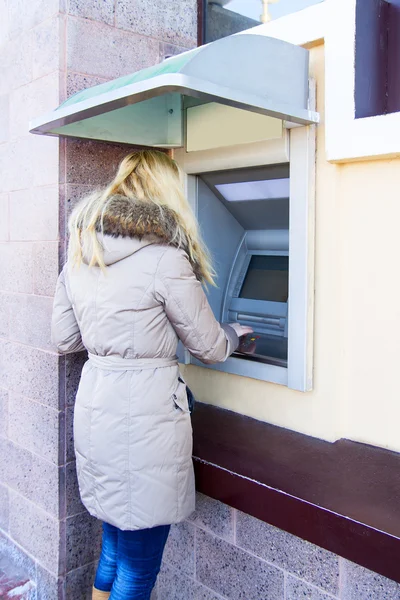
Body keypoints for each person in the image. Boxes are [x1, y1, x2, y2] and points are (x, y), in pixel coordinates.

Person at [51, 150, 252, 600]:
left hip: (97, 409)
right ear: (166, 193)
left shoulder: (82, 251)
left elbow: (64, 338)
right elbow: (210, 346)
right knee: (138, 571)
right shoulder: (166, 258)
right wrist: (237, 332)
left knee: (114, 551)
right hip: (145, 421)